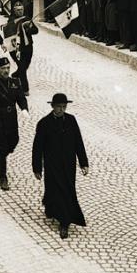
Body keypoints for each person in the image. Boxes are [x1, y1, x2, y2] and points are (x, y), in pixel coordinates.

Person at [31, 93, 89, 239]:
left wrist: (83, 163)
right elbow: (37, 147)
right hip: (52, 165)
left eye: (64, 107)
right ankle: (60, 217)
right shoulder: (44, 123)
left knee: (67, 191)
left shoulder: (71, 120)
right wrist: (37, 167)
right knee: (54, 189)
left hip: (69, 165)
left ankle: (65, 220)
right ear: (52, 106)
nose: (61, 110)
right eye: (59, 107)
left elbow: (78, 142)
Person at [0, 57, 29, 190]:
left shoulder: (15, 82)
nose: (6, 71)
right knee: (2, 147)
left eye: (8, 68)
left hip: (12, 118)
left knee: (14, 142)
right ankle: (3, 176)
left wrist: (24, 109)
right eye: (3, 68)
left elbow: (21, 98)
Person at [6, 0, 38, 95]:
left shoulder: (26, 19)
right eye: (18, 10)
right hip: (17, 49)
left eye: (21, 10)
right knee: (22, 67)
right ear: (14, 11)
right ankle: (25, 89)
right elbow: (9, 37)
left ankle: (15, 75)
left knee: (25, 66)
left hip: (28, 47)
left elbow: (36, 30)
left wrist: (28, 28)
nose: (20, 12)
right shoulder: (11, 21)